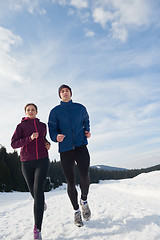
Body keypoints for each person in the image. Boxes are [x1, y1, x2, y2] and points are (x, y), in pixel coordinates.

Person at [48, 84, 91, 227]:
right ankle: (76, 212)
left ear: (71, 93)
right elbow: (52, 130)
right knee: (71, 182)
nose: (65, 93)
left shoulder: (80, 108)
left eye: (67, 91)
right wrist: (56, 137)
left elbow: (86, 121)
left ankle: (84, 201)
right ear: (59, 95)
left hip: (81, 146)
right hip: (65, 150)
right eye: (62, 91)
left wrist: (87, 131)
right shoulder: (55, 111)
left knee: (84, 176)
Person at [11, 103, 50, 240]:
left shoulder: (42, 126)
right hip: (26, 161)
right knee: (33, 191)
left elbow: (44, 139)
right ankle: (40, 203)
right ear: (25, 113)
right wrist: (30, 138)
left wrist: (47, 144)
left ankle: (37, 229)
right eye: (28, 110)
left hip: (42, 160)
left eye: (33, 109)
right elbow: (14, 143)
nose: (31, 111)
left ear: (37, 112)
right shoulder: (21, 126)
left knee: (38, 190)